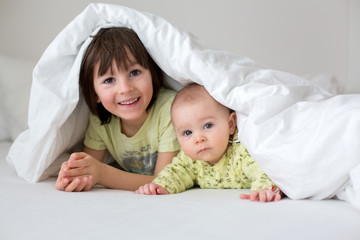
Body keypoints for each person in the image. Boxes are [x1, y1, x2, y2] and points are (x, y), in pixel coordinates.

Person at [55, 27, 180, 192]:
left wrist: (101, 173)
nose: (125, 89)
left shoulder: (170, 110)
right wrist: (72, 176)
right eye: (109, 80)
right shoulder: (101, 121)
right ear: (94, 94)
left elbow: (163, 181)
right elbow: (88, 170)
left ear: (152, 73)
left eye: (134, 72)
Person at [136, 83, 282, 202]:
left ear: (231, 125)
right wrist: (159, 187)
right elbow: (175, 174)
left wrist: (264, 190)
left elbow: (266, 170)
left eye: (208, 126)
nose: (198, 138)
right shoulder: (189, 160)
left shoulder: (240, 151)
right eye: (187, 133)